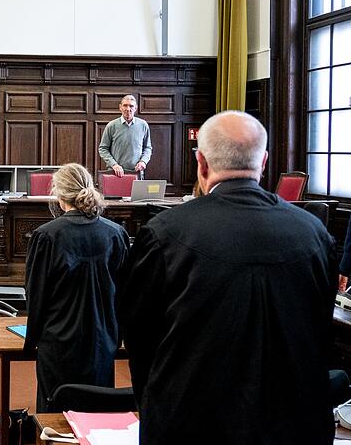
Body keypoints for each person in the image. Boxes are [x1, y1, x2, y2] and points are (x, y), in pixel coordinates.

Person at [116, 111, 336, 444]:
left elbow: (139, 337)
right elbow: (320, 329)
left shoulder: (165, 233)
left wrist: (156, 402)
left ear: (201, 164)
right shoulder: (314, 233)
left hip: (191, 421)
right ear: (263, 162)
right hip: (297, 423)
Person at [23, 163, 128, 412]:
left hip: (58, 343)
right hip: (102, 341)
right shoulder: (116, 234)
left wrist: (31, 341)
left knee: (55, 417)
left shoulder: (46, 236)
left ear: (59, 195)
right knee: (98, 414)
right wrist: (117, 336)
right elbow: (126, 295)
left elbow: (36, 295)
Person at [98, 95, 151, 177]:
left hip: (136, 173)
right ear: (120, 107)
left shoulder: (143, 125)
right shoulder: (111, 126)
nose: (128, 109)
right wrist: (114, 164)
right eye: (125, 105)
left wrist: (143, 161)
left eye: (131, 106)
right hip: (115, 173)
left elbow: (147, 148)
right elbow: (103, 149)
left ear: (136, 108)